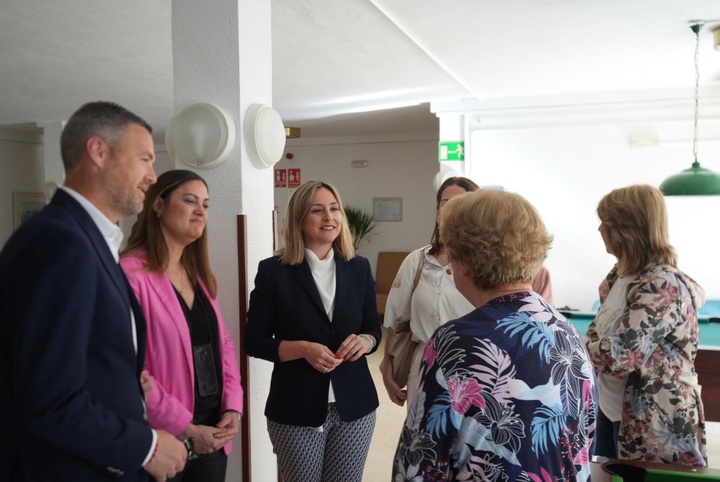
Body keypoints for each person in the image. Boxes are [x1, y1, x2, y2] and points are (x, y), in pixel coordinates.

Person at [0, 101, 187, 482]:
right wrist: (146, 446)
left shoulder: (91, 241)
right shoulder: (58, 242)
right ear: (98, 152)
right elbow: (49, 401)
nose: (153, 176)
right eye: (145, 159)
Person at [393, 189, 597, 481]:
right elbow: (584, 446)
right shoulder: (566, 331)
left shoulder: (456, 341)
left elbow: (420, 463)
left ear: (465, 259)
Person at [245, 180, 381, 482]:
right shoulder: (273, 271)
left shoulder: (359, 267)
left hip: (355, 406)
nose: (329, 217)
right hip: (295, 406)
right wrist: (302, 349)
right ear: (300, 219)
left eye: (334, 209)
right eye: (317, 210)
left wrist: (366, 341)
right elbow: (254, 341)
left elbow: (373, 328)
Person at [381, 177, 555, 408]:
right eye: (445, 202)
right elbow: (397, 320)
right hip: (428, 360)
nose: (452, 209)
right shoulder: (419, 261)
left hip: (485, 365)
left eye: (461, 202)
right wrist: (388, 366)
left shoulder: (497, 270)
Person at [120, 169, 244, 482]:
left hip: (213, 431)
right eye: (190, 201)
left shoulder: (198, 275)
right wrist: (186, 428)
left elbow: (223, 345)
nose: (200, 210)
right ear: (158, 206)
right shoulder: (130, 274)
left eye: (205, 204)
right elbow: (129, 368)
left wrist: (233, 405)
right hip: (162, 436)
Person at [586, 184, 707, 466]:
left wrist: (568, 346)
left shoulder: (661, 283)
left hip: (653, 420)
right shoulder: (616, 277)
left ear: (626, 229)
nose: (600, 230)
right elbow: (597, 332)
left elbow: (622, 354)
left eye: (606, 222)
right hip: (610, 409)